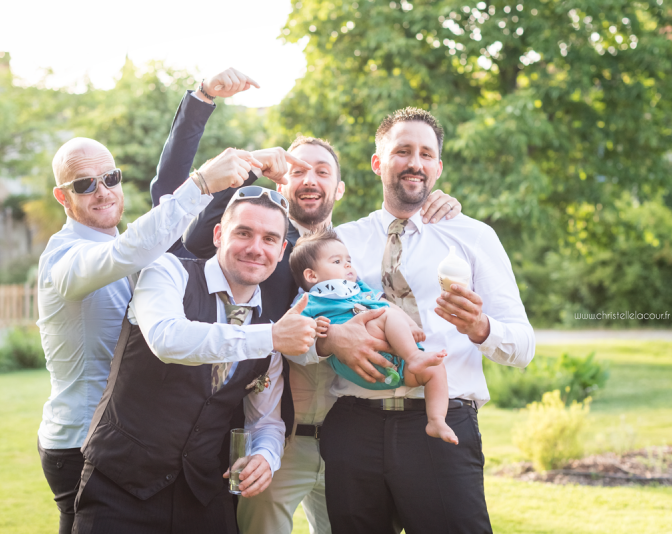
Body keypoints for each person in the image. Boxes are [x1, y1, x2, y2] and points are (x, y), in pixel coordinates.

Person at [181, 136, 463, 534]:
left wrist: (440, 203)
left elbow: (406, 231)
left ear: (339, 188)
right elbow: (196, 241)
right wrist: (250, 165)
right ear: (282, 184)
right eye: (297, 171)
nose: (310, 180)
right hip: (281, 435)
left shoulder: (359, 248)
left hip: (350, 437)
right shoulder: (264, 250)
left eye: (322, 172)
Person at [35, 68, 260, 534]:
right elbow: (136, 242)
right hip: (80, 442)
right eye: (84, 184)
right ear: (63, 196)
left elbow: (165, 213)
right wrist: (200, 183)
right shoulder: (66, 258)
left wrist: (203, 102)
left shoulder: (138, 247)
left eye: (110, 177)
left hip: (129, 441)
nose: (103, 191)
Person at [313, 107, 536, 534]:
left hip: (442, 425)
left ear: (437, 167)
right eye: (403, 151)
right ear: (378, 162)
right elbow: (306, 326)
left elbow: (523, 346)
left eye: (426, 154)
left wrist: (480, 328)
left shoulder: (473, 236)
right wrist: (330, 341)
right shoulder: (342, 240)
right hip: (354, 425)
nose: (415, 162)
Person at [74, 188, 319, 533]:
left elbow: (266, 421)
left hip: (204, 495)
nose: (255, 248)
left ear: (281, 252)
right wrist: (272, 337)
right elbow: (167, 339)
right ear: (219, 235)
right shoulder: (167, 272)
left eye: (269, 239)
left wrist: (266, 455)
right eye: (244, 232)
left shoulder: (272, 330)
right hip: (120, 488)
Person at [288, 228, 457, 443]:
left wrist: (408, 323)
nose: (348, 265)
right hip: (353, 363)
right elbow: (294, 329)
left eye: (348, 260)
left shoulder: (359, 289)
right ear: (312, 275)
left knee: (435, 368)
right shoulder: (310, 301)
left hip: (395, 369)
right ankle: (414, 356)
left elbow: (385, 303)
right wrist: (314, 326)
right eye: (337, 262)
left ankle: (436, 420)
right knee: (385, 316)